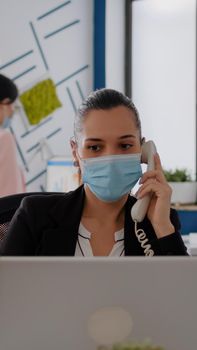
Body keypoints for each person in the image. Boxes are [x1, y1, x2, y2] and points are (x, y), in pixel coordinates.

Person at [1, 88, 188, 256]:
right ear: (75, 152)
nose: (111, 158)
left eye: (124, 145)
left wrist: (162, 226)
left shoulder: (161, 221)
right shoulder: (34, 215)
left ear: (143, 151)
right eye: (95, 147)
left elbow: (183, 292)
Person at [0, 74, 25, 197]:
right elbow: (10, 198)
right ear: (4, 103)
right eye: (13, 104)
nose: (12, 110)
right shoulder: (4, 139)